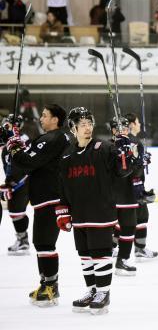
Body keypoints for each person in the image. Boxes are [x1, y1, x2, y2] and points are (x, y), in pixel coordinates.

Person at [57, 107, 136, 315]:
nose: (87, 127)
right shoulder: (67, 156)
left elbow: (123, 170)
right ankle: (92, 290)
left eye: (89, 123)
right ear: (73, 128)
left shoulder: (105, 147)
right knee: (85, 255)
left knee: (101, 254)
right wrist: (63, 211)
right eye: (82, 124)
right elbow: (63, 186)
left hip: (101, 213)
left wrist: (125, 152)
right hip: (79, 216)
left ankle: (103, 292)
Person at [6, 104, 70, 307]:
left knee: (44, 243)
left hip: (50, 198)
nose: (41, 119)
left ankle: (51, 287)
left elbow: (26, 161)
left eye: (44, 116)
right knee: (42, 243)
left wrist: (15, 147)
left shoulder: (53, 138)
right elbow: (30, 155)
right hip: (48, 197)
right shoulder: (55, 139)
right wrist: (14, 139)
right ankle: (46, 284)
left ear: (55, 120)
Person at [124, 113, 158, 261]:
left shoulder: (125, 141)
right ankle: (139, 249)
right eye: (137, 122)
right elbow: (133, 167)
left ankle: (114, 248)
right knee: (141, 216)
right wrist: (142, 161)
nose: (139, 125)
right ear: (131, 124)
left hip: (127, 186)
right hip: (133, 186)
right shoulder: (134, 142)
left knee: (125, 218)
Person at [109, 117, 139, 276]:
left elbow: (136, 170)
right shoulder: (107, 147)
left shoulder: (134, 144)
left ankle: (122, 261)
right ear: (113, 131)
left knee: (128, 227)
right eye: (120, 129)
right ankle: (105, 260)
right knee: (108, 229)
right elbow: (119, 171)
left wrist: (140, 160)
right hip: (111, 196)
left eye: (126, 129)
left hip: (128, 195)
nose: (124, 131)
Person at [1, 115, 30, 255]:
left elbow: (24, 164)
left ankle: (23, 240)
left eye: (7, 124)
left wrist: (13, 183)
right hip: (13, 180)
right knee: (14, 211)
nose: (4, 126)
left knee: (16, 211)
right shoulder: (8, 139)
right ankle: (22, 239)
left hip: (21, 181)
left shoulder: (22, 140)